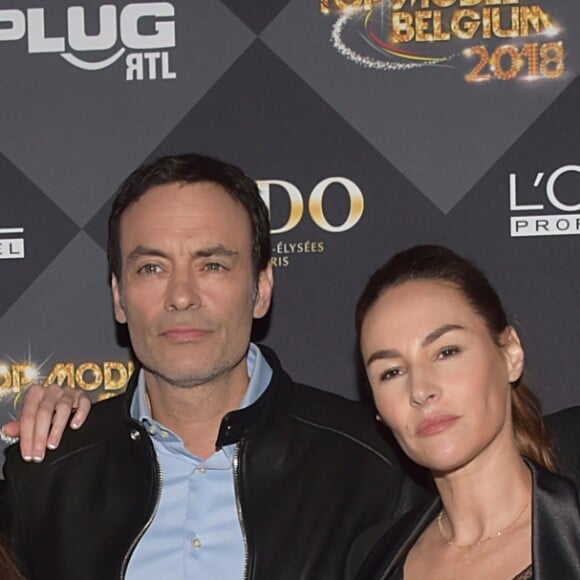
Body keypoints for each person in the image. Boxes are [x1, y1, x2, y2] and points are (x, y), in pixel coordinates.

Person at [0, 153, 426, 580]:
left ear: (261, 289)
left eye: (212, 265)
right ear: (119, 296)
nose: (181, 296)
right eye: (152, 268)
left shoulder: (376, 468)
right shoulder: (46, 480)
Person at [347, 245, 580, 579]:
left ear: (510, 354)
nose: (420, 390)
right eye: (391, 372)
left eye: (446, 352)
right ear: (378, 409)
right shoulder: (372, 559)